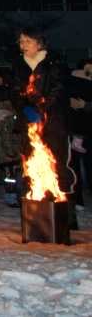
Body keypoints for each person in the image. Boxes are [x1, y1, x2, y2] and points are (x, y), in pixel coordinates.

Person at [11, 30, 74, 210]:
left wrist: (42, 107)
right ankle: (36, 211)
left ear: (39, 43)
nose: (23, 45)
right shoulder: (18, 65)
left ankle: (64, 212)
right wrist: (25, 107)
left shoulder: (53, 63)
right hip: (29, 123)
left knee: (57, 163)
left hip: (53, 121)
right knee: (30, 162)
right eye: (21, 42)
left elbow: (58, 89)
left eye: (27, 41)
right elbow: (15, 91)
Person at [69, 57, 92, 207]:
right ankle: (77, 199)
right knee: (75, 168)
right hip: (76, 130)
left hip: (87, 131)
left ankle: (79, 199)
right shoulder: (73, 83)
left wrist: (86, 105)